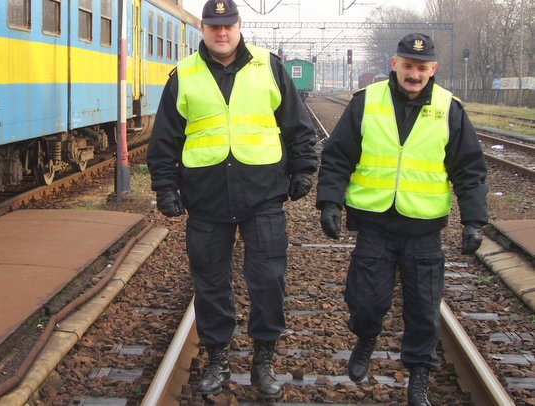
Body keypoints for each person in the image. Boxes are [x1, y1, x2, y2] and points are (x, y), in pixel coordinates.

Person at [146, 0, 318, 399]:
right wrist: (165, 186)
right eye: (213, 26)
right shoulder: (184, 75)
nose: (221, 33)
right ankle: (218, 359)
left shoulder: (269, 66)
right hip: (205, 198)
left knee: (268, 280)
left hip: (263, 195)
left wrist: (305, 169)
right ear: (202, 29)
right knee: (210, 284)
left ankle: (264, 360)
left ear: (239, 26)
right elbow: (165, 139)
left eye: (228, 25)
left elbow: (297, 124)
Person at [315, 33, 488, 405]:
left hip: (423, 229)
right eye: (408, 65)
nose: (414, 74)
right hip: (375, 223)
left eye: (422, 68)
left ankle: (419, 377)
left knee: (424, 309)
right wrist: (330, 201)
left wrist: (475, 220)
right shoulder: (367, 102)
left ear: (433, 70)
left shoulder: (449, 109)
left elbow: (469, 170)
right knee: (364, 301)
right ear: (395, 64)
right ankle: (366, 337)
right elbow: (338, 156)